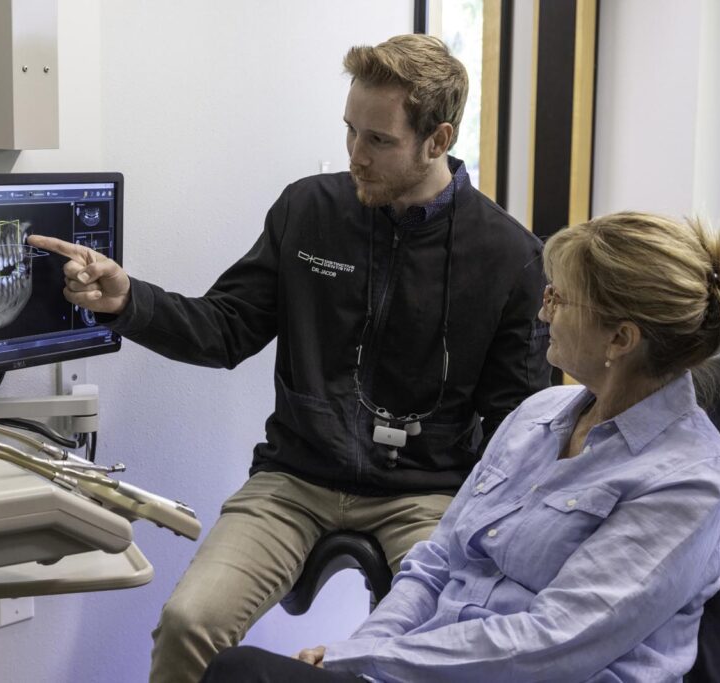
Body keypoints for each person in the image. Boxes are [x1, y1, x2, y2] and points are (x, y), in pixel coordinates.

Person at [28, 34, 549, 682]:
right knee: (190, 623)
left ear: (438, 140)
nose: (355, 155)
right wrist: (126, 300)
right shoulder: (309, 211)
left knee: (433, 652)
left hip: (427, 495)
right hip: (294, 480)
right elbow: (224, 328)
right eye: (349, 131)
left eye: (378, 141)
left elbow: (519, 428)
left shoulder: (508, 256)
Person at [199, 211, 720, 683]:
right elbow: (437, 564)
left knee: (244, 675)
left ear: (621, 337)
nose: (544, 310)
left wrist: (368, 664)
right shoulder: (539, 416)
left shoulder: (687, 479)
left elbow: (552, 642)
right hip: (432, 670)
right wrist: (363, 651)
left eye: (560, 299)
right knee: (239, 672)